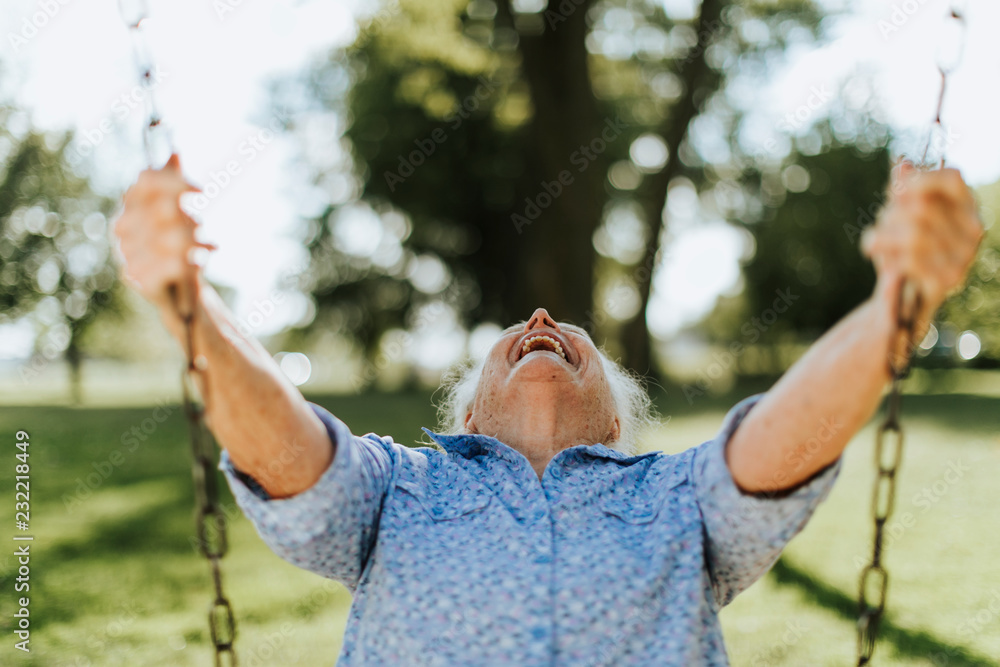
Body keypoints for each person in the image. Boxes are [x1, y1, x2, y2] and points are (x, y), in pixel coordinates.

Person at [114, 155, 982, 665]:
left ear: (613, 420)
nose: (539, 321)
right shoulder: (399, 487)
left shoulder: (672, 497)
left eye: (572, 331)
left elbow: (781, 441)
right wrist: (189, 306)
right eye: (518, 330)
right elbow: (294, 457)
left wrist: (894, 313)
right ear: (472, 418)